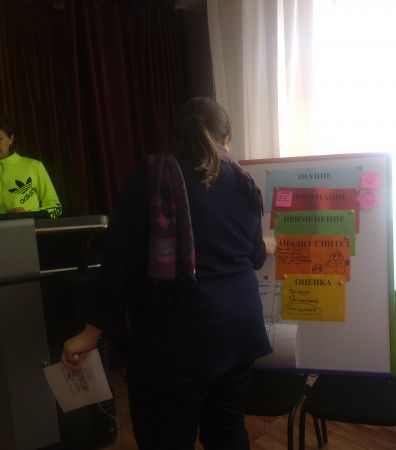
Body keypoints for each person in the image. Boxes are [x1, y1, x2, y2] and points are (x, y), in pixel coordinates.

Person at [61, 97, 273, 450]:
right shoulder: (243, 180)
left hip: (177, 339)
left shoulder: (152, 177)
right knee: (228, 432)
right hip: (239, 329)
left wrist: (91, 332)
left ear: (177, 134)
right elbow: (253, 255)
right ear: (227, 137)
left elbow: (120, 261)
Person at [0, 116, 62, 218]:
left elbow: (55, 207)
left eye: (0, 139)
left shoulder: (34, 166)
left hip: (27, 227)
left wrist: (28, 216)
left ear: (11, 139)